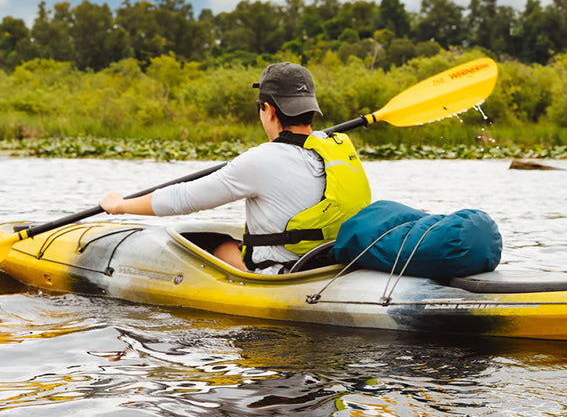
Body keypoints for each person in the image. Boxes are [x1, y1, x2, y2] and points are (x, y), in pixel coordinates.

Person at [100, 62, 371, 273]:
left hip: (282, 275)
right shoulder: (336, 147)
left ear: (269, 110)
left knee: (210, 242)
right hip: (327, 261)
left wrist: (121, 205)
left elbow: (182, 199)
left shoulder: (260, 160)